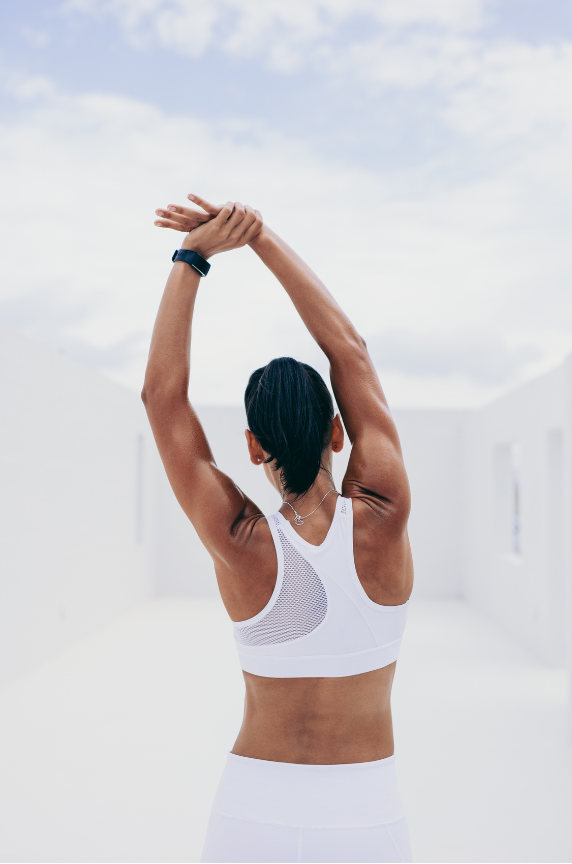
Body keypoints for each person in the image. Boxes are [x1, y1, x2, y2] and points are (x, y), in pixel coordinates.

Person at [143, 194, 414, 863]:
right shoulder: (383, 513)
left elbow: (162, 400)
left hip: (252, 807)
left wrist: (192, 258)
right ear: (337, 432)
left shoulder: (239, 539)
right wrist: (259, 237)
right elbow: (347, 350)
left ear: (253, 447)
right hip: (365, 808)